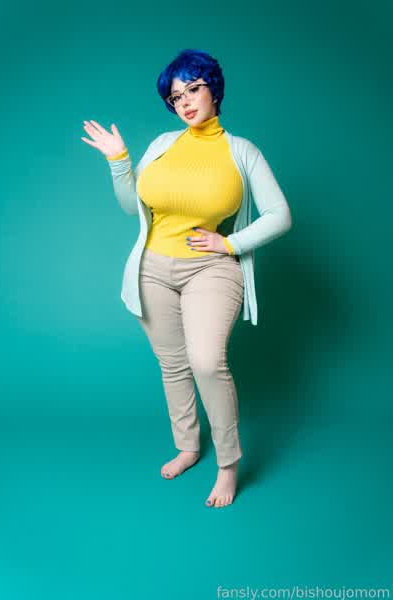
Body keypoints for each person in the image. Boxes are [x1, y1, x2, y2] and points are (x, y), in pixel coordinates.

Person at [81, 49, 292, 508]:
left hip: (210, 268)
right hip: (152, 269)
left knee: (206, 362)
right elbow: (131, 207)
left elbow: (280, 215)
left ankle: (228, 465)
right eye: (176, 97)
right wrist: (119, 160)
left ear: (214, 88)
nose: (186, 102)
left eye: (193, 88)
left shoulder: (241, 151)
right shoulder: (162, 144)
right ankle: (188, 447)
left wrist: (230, 244)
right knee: (173, 364)